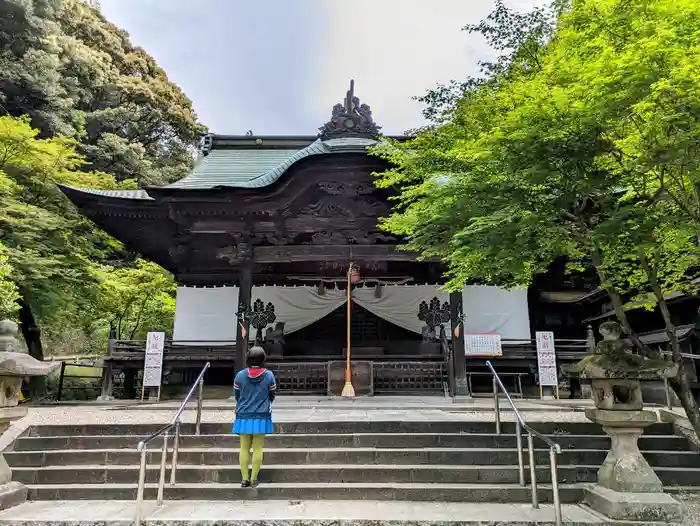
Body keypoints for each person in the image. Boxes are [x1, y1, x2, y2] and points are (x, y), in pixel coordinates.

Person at [232, 345, 276, 488]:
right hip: (261, 416)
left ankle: (244, 479)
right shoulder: (269, 375)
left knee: (244, 448)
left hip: (243, 415)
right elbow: (272, 395)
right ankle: (254, 478)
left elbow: (237, 396)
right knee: (258, 448)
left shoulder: (240, 375)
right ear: (263, 359)